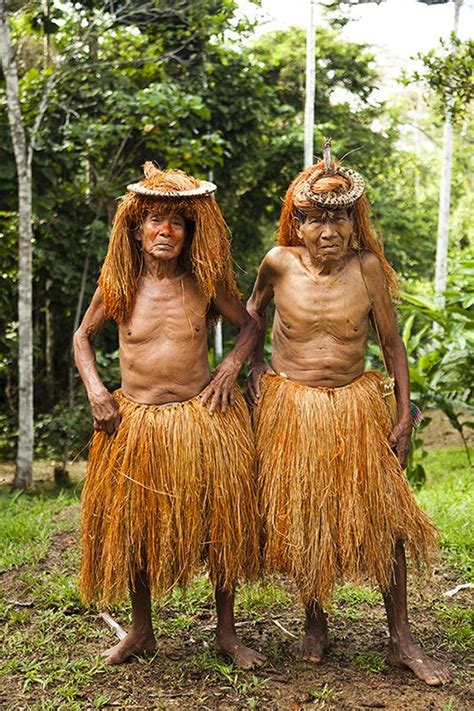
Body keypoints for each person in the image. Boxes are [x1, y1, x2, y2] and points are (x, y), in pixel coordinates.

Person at [245, 143, 451, 685]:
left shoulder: (367, 270)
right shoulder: (277, 263)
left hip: (357, 408)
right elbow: (250, 318)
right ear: (299, 223)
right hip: (294, 409)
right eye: (316, 220)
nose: (328, 232)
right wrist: (253, 367)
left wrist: (404, 415)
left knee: (387, 521)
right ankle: (315, 622)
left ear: (353, 223)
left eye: (339, 219)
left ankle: (400, 638)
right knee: (306, 515)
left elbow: (392, 345)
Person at [74, 163, 264, 669]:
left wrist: (230, 367)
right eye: (155, 220)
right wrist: (96, 390)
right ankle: (142, 630)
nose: (165, 231)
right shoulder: (119, 285)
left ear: (189, 231)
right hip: (135, 422)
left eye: (177, 222)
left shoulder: (204, 283)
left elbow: (250, 325)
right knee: (136, 526)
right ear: (137, 230)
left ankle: (227, 633)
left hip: (202, 419)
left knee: (221, 524)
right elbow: (82, 338)